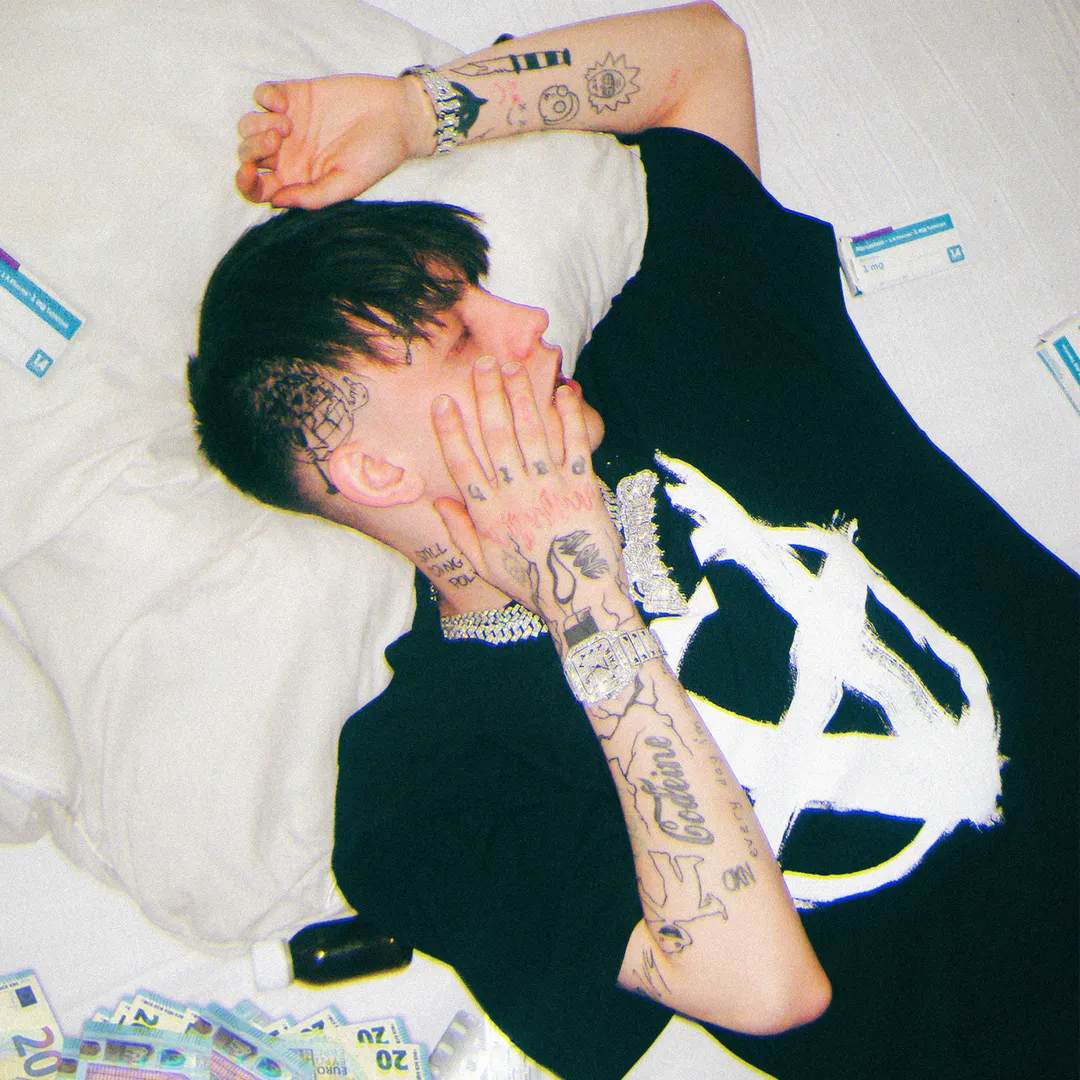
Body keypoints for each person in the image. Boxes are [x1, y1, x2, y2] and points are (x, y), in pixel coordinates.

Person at [188, 4, 1080, 1079]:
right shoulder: (418, 786)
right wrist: (581, 593)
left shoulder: (674, 345)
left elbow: (701, 58)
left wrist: (412, 115)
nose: (530, 323)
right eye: (463, 332)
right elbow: (766, 989)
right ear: (374, 470)